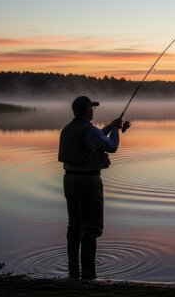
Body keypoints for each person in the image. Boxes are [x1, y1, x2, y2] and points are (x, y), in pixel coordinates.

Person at [57, 96, 130, 279]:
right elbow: (111, 146)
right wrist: (114, 129)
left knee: (74, 225)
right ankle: (88, 274)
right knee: (90, 228)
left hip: (69, 180)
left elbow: (94, 138)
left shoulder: (67, 130)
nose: (93, 111)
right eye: (92, 108)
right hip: (88, 182)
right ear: (87, 111)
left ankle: (73, 270)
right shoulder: (89, 131)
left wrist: (110, 126)